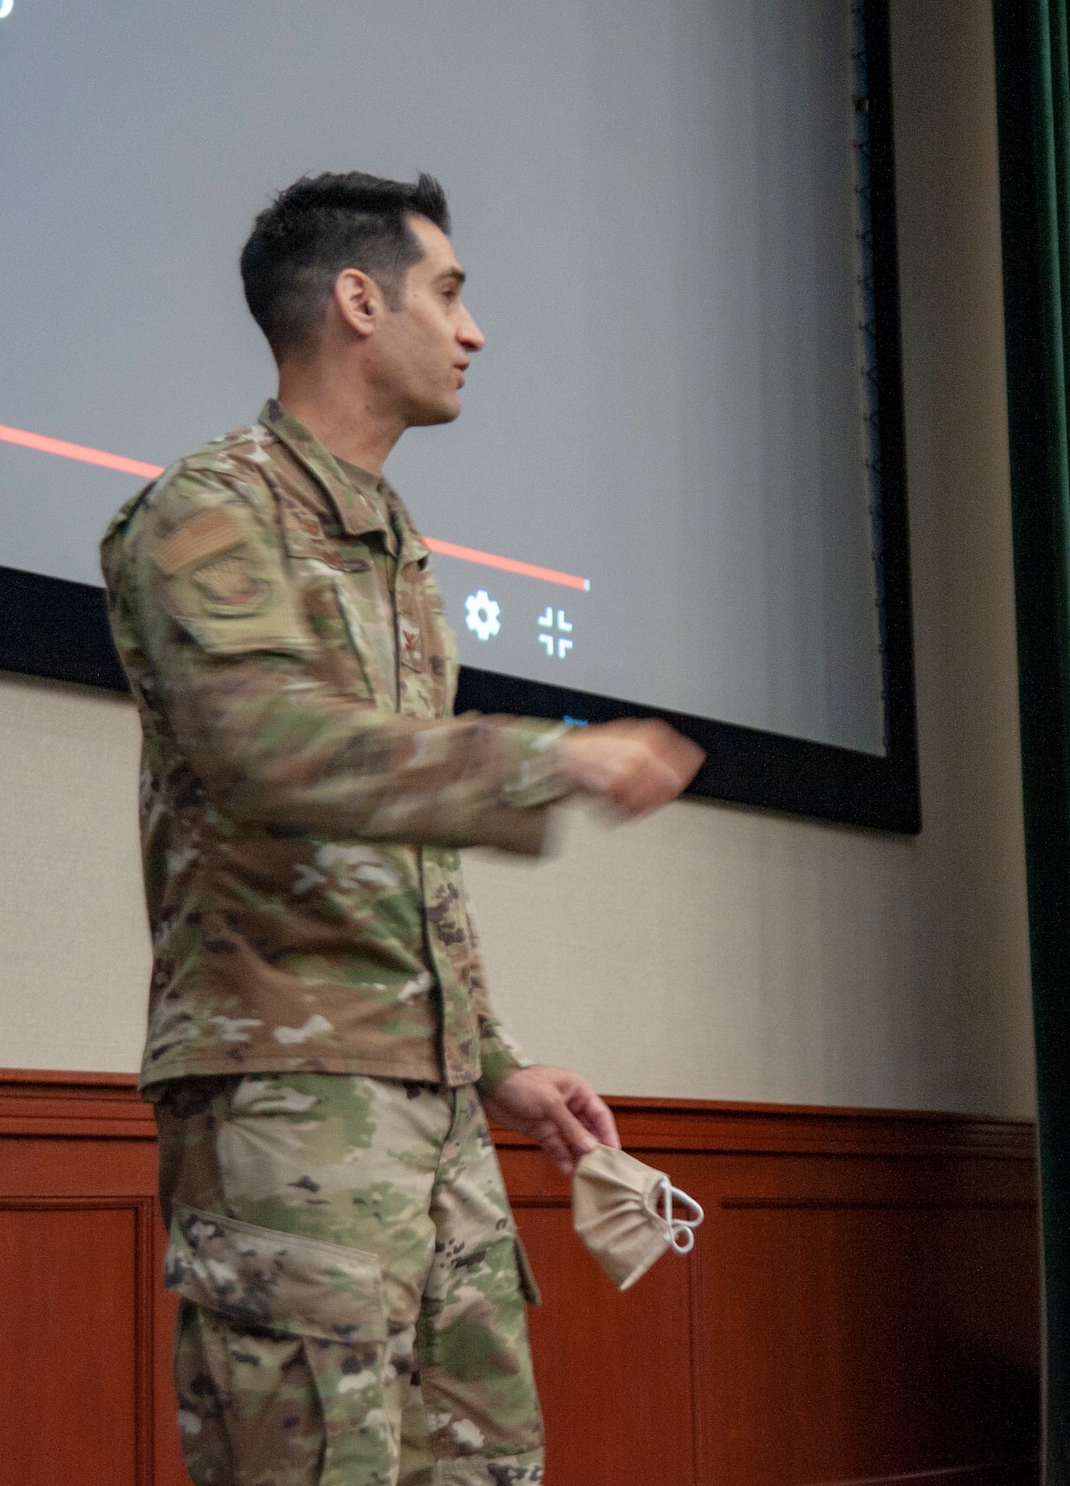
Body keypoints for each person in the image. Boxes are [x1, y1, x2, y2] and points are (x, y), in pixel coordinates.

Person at [99, 170, 704, 1486]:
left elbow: (394, 849)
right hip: (286, 1104)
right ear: (358, 301)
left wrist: (493, 1064)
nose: (473, 330)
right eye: (451, 291)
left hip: (430, 1115)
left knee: (484, 1466)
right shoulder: (209, 512)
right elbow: (269, 748)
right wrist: (548, 758)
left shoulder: (398, 550)